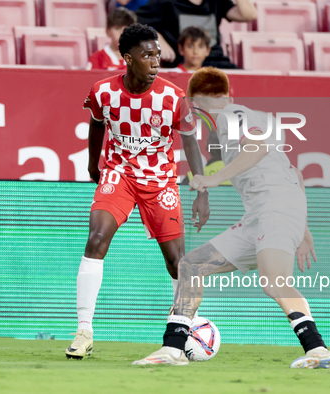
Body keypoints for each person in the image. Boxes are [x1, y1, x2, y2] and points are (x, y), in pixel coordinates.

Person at [133, 67, 330, 369]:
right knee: (191, 266)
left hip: (274, 208)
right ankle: (172, 349)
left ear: (195, 105)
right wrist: (303, 229)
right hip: (266, 212)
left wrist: (214, 180)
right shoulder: (255, 115)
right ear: (229, 94)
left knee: (275, 282)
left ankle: (318, 350)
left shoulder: (231, 117)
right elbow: (293, 172)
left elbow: (256, 148)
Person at [65, 23, 210, 359]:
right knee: (96, 238)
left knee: (177, 263)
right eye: (148, 55)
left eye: (158, 54)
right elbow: (97, 123)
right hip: (120, 174)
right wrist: (93, 164)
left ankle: (184, 327)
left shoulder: (173, 97)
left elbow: (189, 140)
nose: (156, 60)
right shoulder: (103, 91)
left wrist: (201, 189)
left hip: (160, 180)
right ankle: (84, 330)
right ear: (128, 59)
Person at [136, 0, 257, 69]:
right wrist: (156, 39)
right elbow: (131, 20)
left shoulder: (217, 1)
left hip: (218, 66)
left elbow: (249, 15)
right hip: (182, 66)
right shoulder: (165, 2)